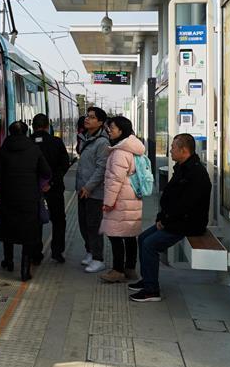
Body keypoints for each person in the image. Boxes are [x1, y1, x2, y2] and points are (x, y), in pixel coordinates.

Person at [129, 133, 211, 302]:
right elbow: (171, 199)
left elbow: (186, 205)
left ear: (184, 150)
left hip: (188, 224)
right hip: (175, 220)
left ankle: (152, 290)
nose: (170, 151)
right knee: (143, 238)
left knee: (150, 244)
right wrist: (161, 218)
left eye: (173, 148)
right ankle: (147, 280)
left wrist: (165, 221)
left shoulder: (196, 173)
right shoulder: (183, 167)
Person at [0, 120, 51, 281]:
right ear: (26, 132)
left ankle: (8, 262)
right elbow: (47, 173)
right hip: (29, 198)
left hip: (8, 198)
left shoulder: (2, 151)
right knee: (28, 234)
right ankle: (24, 271)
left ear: (10, 132)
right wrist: (40, 186)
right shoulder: (34, 149)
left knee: (8, 230)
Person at [98, 116, 145, 283]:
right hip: (131, 198)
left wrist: (109, 202)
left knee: (115, 235)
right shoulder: (132, 148)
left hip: (120, 200)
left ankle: (117, 270)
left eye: (113, 128)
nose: (109, 131)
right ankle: (130, 269)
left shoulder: (119, 153)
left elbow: (114, 181)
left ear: (122, 130)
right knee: (130, 235)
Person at [31, 113, 71, 263]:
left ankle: (36, 253)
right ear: (48, 126)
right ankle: (57, 252)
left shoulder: (29, 143)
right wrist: (51, 182)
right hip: (54, 189)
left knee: (35, 220)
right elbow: (64, 165)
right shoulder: (56, 142)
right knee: (59, 220)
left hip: (34, 190)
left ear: (33, 127)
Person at [75, 106, 110, 273]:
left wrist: (88, 187)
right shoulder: (85, 138)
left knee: (94, 225)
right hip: (82, 190)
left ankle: (98, 258)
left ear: (101, 122)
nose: (87, 119)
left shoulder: (102, 142)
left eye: (92, 117)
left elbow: (101, 168)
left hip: (94, 192)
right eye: (87, 116)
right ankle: (90, 251)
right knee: (83, 224)